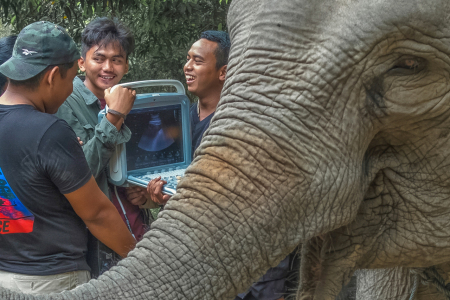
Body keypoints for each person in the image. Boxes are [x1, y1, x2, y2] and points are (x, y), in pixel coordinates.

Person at [147, 30, 292, 300]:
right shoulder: (181, 122)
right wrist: (161, 197)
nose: (187, 66)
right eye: (188, 59)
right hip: (198, 266)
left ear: (223, 72)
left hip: (249, 273)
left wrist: (271, 289)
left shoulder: (245, 124)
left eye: (198, 61)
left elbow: (268, 209)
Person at [0, 21, 136, 295]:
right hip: (53, 280)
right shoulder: (49, 131)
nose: (70, 90)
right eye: (70, 78)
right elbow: (96, 214)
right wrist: (140, 260)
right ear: (52, 76)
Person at [55, 17, 161, 247]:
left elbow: (140, 164)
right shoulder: (65, 102)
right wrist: (113, 117)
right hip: (97, 241)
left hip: (138, 229)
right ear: (82, 63)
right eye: (99, 58)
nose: (108, 68)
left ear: (127, 65)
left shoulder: (131, 102)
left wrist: (142, 194)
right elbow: (79, 173)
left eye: (116, 60)